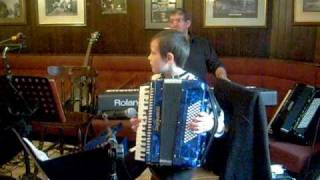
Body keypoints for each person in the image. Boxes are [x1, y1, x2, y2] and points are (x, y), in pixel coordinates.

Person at [116, 30, 225, 180]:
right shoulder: (155, 81)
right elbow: (153, 118)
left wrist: (210, 123)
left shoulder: (196, 86)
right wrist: (142, 125)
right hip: (155, 157)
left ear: (169, 58)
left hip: (182, 162)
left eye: (153, 53)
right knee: (120, 168)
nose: (148, 57)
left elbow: (221, 126)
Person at [168, 8, 229, 81]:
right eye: (171, 22)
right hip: (172, 89)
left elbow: (217, 66)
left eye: (178, 21)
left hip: (198, 89)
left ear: (188, 23)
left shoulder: (202, 44)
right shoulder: (164, 45)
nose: (174, 24)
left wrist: (223, 78)